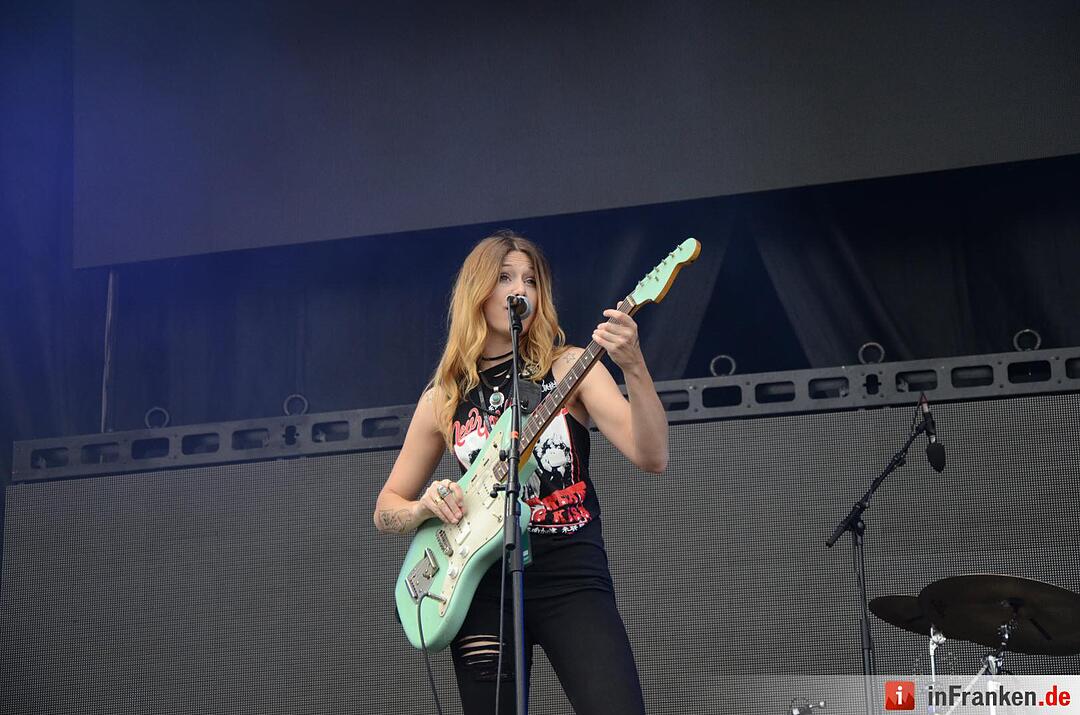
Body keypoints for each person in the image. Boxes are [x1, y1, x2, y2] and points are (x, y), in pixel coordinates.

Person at [373, 230, 668, 715]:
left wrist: (634, 366)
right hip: (483, 584)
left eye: (531, 280)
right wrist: (424, 507)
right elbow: (386, 508)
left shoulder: (569, 366)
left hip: (571, 573)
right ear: (478, 292)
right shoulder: (443, 398)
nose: (520, 290)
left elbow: (652, 456)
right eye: (505, 277)